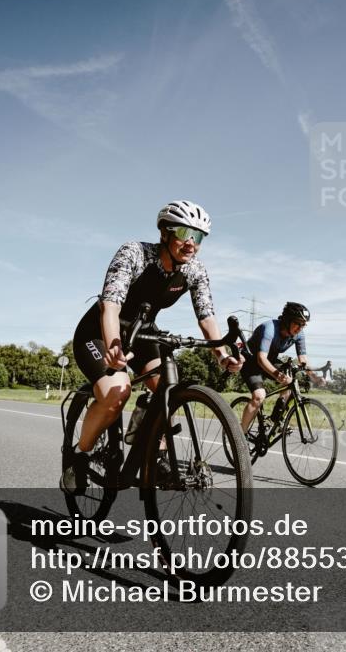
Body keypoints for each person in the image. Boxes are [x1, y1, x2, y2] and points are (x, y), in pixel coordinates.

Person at [62, 200, 243, 493]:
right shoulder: (135, 253)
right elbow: (111, 305)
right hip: (99, 332)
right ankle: (79, 458)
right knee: (117, 391)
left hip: (144, 332)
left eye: (198, 237)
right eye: (184, 233)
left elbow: (206, 315)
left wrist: (222, 354)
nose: (191, 243)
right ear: (165, 233)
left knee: (168, 389)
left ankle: (154, 455)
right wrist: (113, 345)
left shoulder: (195, 270)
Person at [238, 302, 324, 434]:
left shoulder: (299, 334)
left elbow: (303, 361)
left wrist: (314, 377)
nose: (300, 328)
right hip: (251, 361)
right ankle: (239, 435)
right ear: (287, 320)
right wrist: (279, 376)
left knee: (291, 382)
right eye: (298, 323)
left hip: (269, 360)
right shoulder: (269, 328)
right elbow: (261, 359)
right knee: (259, 396)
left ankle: (275, 420)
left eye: (304, 324)